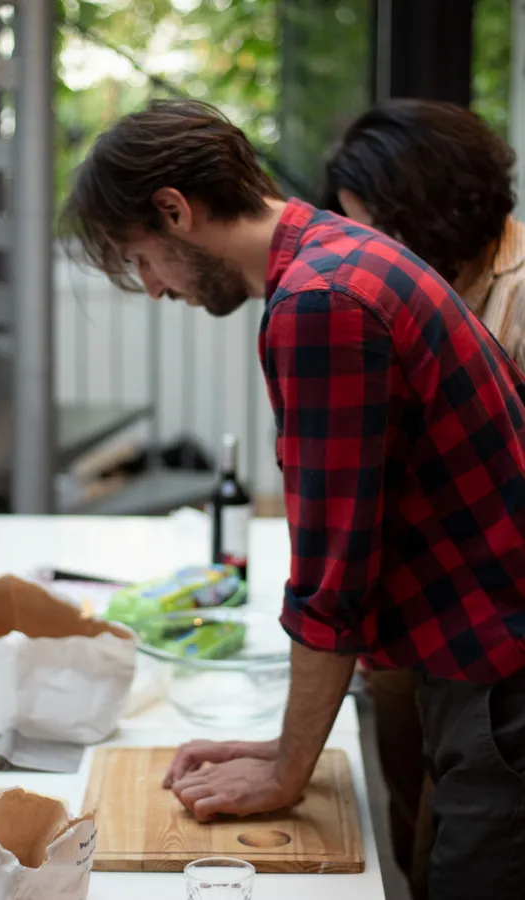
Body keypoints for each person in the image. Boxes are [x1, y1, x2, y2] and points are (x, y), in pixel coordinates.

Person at [62, 99, 525, 900]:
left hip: (503, 676)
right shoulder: (342, 254)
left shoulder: (320, 304)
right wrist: (282, 744)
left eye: (143, 259)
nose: (151, 289)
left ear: (175, 210)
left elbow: (332, 575)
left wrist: (286, 766)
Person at [319, 98, 525, 900]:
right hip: (417, 629)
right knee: (411, 832)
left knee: (463, 839)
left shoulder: (515, 293)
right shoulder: (423, 285)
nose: (363, 248)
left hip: (488, 633)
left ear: (425, 207)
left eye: (370, 225)